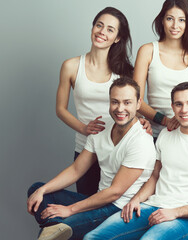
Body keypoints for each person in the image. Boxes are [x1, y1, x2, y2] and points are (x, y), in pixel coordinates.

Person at [84, 82, 188, 240]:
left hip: (185, 217)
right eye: (179, 104)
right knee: (93, 237)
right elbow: (154, 176)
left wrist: (175, 212)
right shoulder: (166, 134)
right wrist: (136, 199)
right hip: (152, 205)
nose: (184, 110)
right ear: (172, 107)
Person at [27, 77, 156, 240]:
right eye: (115, 102)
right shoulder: (101, 128)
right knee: (37, 191)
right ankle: (60, 226)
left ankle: (61, 226)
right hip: (99, 200)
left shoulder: (141, 141)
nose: (120, 108)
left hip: (120, 209)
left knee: (54, 233)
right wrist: (43, 190)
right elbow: (76, 170)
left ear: (138, 104)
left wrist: (70, 210)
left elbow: (115, 192)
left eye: (127, 102)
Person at [55, 7, 134, 196]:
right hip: (85, 148)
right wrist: (83, 128)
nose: (102, 32)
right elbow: (60, 109)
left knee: (111, 209)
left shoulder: (124, 71)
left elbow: (132, 108)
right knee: (85, 206)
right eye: (99, 25)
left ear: (117, 38)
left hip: (118, 148)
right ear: (92, 28)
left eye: (110, 29)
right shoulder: (71, 66)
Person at [133, 0, 188, 139]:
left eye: (181, 20)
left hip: (186, 135)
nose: (175, 25)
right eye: (170, 19)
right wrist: (165, 120)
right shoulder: (147, 51)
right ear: (162, 20)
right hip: (152, 134)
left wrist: (185, 119)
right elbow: (136, 99)